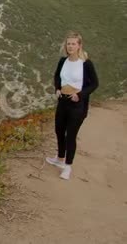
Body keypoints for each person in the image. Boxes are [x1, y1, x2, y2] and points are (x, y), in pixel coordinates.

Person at [46, 31, 99, 180]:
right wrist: (57, 88)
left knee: (71, 135)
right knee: (58, 130)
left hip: (77, 104)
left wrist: (80, 95)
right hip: (62, 101)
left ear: (79, 45)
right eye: (68, 43)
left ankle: (67, 166)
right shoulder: (63, 61)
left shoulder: (86, 64)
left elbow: (95, 84)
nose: (70, 46)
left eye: (73, 44)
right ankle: (59, 157)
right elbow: (57, 76)